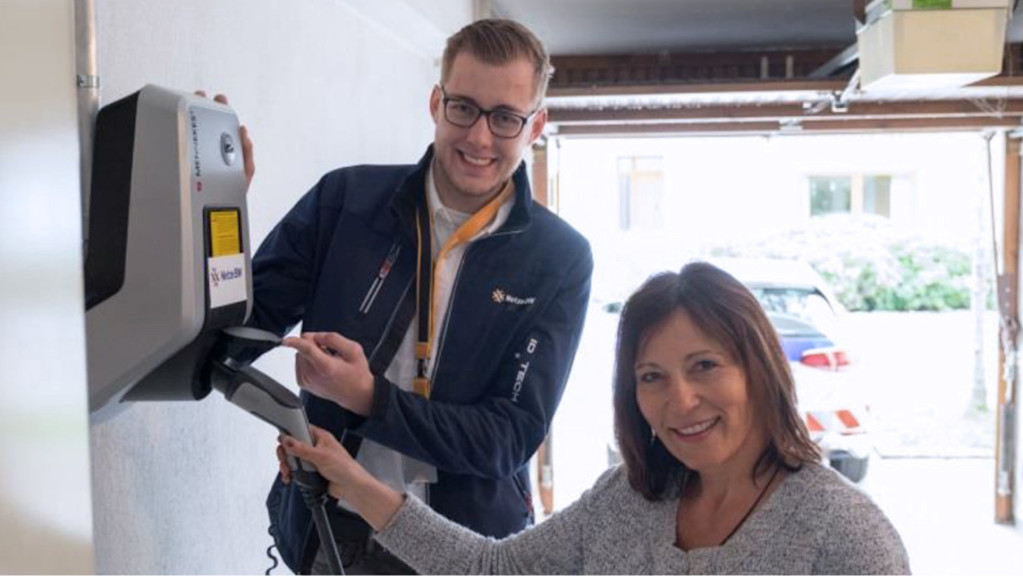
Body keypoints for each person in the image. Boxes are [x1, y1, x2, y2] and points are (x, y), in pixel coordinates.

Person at [280, 261, 911, 575]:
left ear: (758, 368)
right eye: (652, 377)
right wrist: (350, 480)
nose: (681, 401)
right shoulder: (629, 498)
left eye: (705, 366)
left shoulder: (844, 535)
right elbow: (491, 570)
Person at [251, 18, 593, 575]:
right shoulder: (346, 201)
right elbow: (240, 328)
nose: (479, 137)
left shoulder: (559, 258)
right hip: (332, 530)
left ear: (535, 126)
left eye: (505, 118)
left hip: (467, 550)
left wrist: (370, 398)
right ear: (436, 103)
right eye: (464, 108)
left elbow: (507, 439)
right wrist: (215, 212)